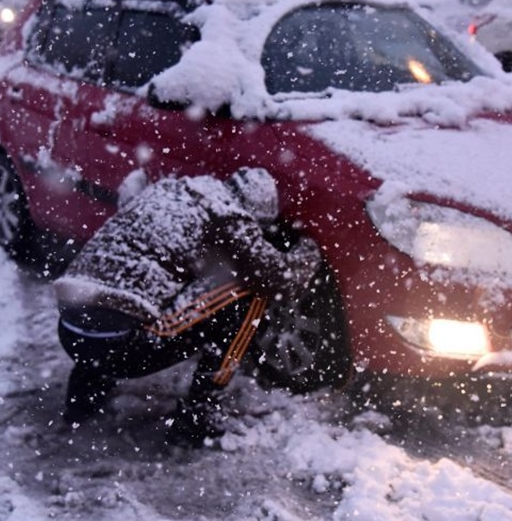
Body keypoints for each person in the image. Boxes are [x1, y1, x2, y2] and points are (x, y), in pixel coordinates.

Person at [54, 167, 322, 447]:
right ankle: (199, 414)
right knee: (250, 292)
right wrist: (309, 251)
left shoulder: (170, 190)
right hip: (123, 347)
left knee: (124, 292)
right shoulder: (228, 214)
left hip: (71, 330)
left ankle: (85, 392)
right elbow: (277, 277)